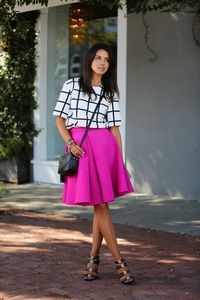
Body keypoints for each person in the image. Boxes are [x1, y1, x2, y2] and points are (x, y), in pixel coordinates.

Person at [53, 43, 134, 285]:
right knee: (100, 205)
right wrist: (69, 141)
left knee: (100, 205)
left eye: (107, 60)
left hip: (105, 148)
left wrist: (119, 160)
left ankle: (94, 261)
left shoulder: (110, 92)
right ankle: (119, 263)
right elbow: (59, 118)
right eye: (98, 58)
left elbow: (115, 129)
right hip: (82, 148)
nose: (102, 62)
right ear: (90, 60)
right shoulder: (71, 85)